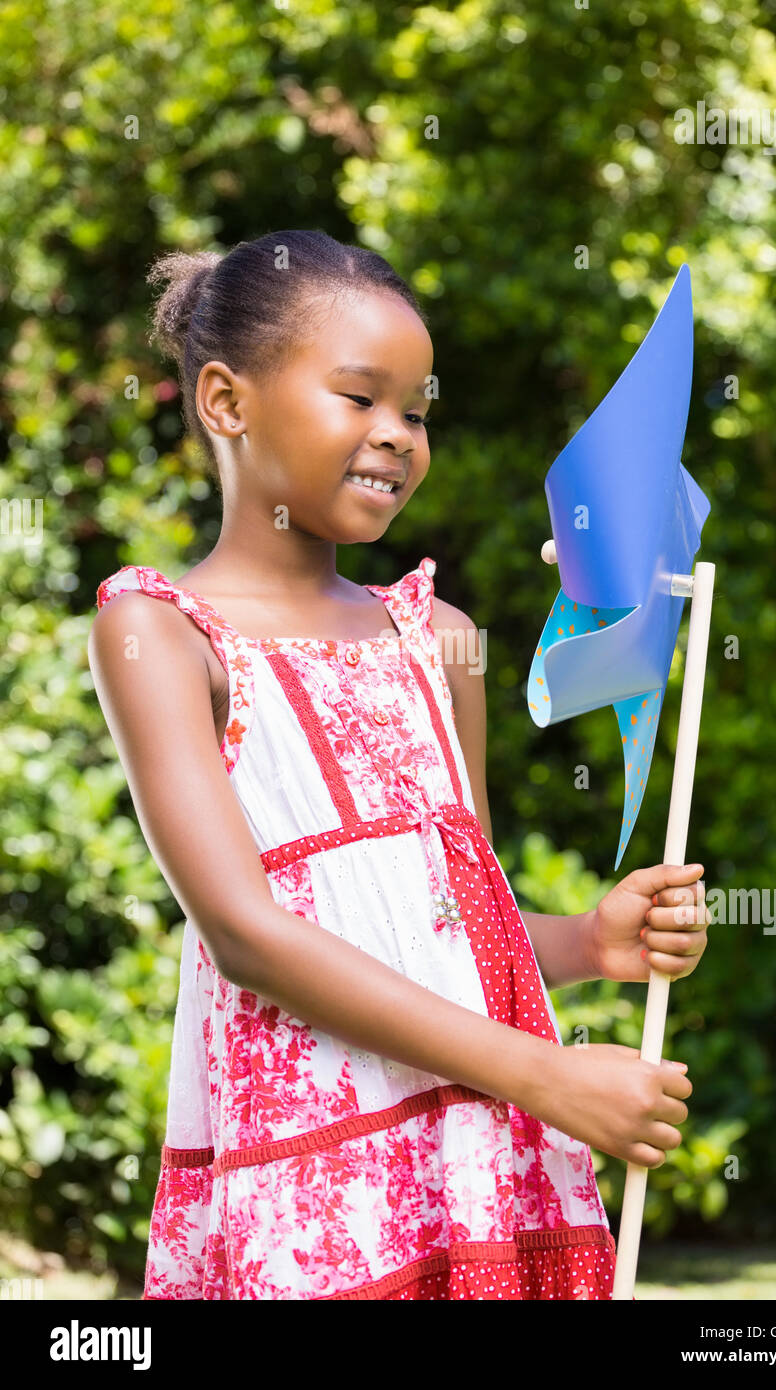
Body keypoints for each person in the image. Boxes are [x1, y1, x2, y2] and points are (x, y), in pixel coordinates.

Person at [88, 229, 708, 1301]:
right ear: (226, 402)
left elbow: (456, 933)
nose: (397, 436)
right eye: (359, 397)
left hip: (477, 1162)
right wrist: (547, 1074)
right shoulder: (160, 630)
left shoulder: (440, 638)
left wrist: (589, 941)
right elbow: (248, 934)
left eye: (416, 411)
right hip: (324, 1174)